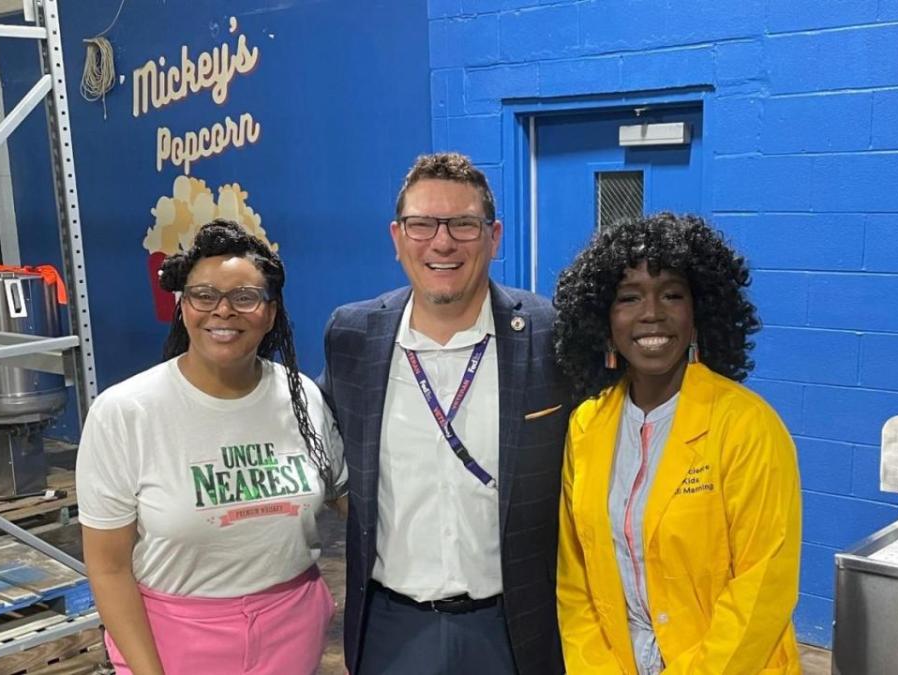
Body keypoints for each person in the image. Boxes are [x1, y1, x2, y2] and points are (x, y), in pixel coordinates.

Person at [319, 152, 570, 674]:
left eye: (463, 224)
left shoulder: (551, 334)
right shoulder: (352, 336)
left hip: (517, 625)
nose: (442, 242)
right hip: (392, 627)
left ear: (494, 236)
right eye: (421, 224)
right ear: (396, 236)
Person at [77, 219, 346, 675]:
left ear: (271, 312)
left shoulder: (301, 397)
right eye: (204, 296)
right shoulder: (125, 412)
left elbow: (349, 499)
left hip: (293, 630)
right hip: (174, 641)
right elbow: (108, 569)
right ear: (182, 307)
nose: (223, 311)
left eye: (245, 297)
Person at [553, 213, 802, 674]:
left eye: (672, 294)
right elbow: (575, 583)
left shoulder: (746, 425)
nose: (652, 313)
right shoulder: (586, 426)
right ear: (604, 323)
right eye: (629, 298)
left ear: (699, 314)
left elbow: (762, 587)